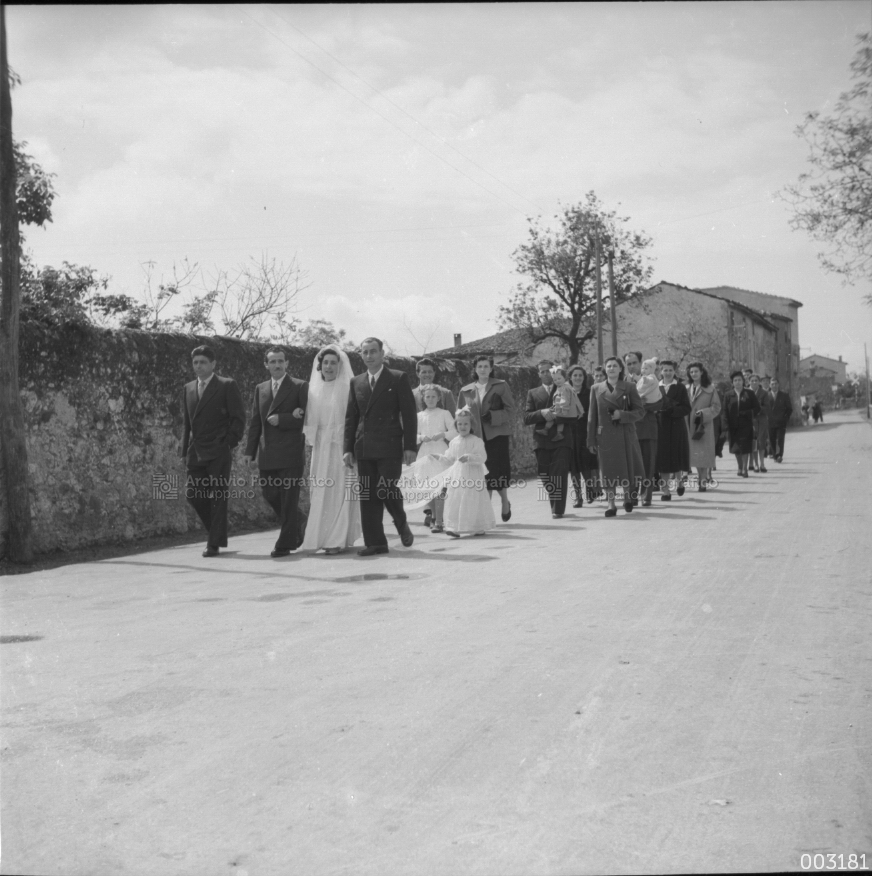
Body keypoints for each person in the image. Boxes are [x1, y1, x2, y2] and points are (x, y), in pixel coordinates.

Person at [343, 337, 417, 556]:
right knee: (368, 494)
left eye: (373, 351)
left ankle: (401, 522)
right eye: (365, 352)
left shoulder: (397, 378)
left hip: (390, 445)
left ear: (382, 354)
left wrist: (410, 446)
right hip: (364, 447)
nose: (369, 356)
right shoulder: (356, 382)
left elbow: (409, 414)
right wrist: (347, 448)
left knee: (386, 488)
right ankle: (375, 543)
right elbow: (351, 417)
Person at [180, 345, 246, 558]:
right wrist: (184, 451)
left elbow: (238, 418)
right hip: (196, 451)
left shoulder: (226, 385)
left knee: (218, 496)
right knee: (193, 494)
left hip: (218, 450)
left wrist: (227, 443)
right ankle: (218, 533)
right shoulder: (188, 388)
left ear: (213, 364)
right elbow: (187, 424)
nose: (198, 366)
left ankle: (213, 543)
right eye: (195, 362)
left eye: (203, 362)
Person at [243, 347, 308, 558]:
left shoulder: (299, 386)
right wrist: (249, 451)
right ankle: (298, 520)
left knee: (289, 498)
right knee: (270, 494)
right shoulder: (260, 388)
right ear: (266, 365)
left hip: (290, 452)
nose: (277, 365)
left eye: (281, 361)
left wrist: (285, 419)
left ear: (287, 363)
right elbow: (255, 422)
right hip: (268, 452)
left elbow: (307, 417)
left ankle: (285, 542)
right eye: (273, 362)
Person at [300, 345, 361, 554]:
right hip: (321, 447)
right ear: (320, 365)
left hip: (340, 447)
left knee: (340, 491)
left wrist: (349, 448)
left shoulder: (347, 389)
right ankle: (319, 537)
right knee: (320, 490)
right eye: (325, 362)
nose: (328, 366)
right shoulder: (312, 391)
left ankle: (336, 540)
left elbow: (353, 420)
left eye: (333, 363)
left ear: (339, 366)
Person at [457, 355, 515, 522]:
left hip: (497, 436)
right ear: (475, 369)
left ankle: (504, 501)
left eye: (486, 366)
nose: (482, 369)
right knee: (483, 476)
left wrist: (494, 416)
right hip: (476, 438)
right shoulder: (465, 390)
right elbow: (460, 415)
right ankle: (485, 516)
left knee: (498, 473)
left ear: (491, 369)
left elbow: (511, 410)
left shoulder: (501, 386)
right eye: (479, 366)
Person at [587, 356, 645, 517]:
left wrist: (622, 415)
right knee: (608, 471)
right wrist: (590, 440)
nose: (611, 368)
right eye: (609, 366)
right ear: (605, 369)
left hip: (626, 434)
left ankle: (627, 497)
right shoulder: (596, 388)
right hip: (605, 436)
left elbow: (640, 412)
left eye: (615, 366)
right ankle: (611, 504)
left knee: (626, 467)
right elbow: (592, 417)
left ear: (621, 369)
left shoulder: (629, 387)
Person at [524, 359, 574, 519]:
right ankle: (555, 501)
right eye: (542, 371)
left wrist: (558, 415)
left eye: (548, 371)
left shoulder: (565, 389)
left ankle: (557, 509)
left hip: (561, 439)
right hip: (541, 439)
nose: (546, 374)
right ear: (538, 374)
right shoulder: (532, 393)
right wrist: (541, 413)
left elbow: (574, 414)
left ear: (554, 372)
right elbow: (526, 417)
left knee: (559, 473)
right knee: (545, 474)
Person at [412, 357, 456, 529]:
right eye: (423, 371)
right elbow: (411, 429)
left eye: (430, 371)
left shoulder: (445, 398)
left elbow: (454, 426)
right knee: (427, 484)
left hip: (441, 449)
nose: (427, 374)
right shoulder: (413, 397)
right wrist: (420, 438)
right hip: (423, 450)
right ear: (418, 373)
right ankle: (431, 515)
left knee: (441, 485)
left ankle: (439, 519)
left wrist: (443, 435)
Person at [440, 408, 495, 538]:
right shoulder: (454, 442)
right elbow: (449, 458)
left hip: (473, 475)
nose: (463, 426)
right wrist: (439, 457)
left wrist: (470, 457)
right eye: (459, 424)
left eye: (466, 424)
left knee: (472, 499)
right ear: (456, 426)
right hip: (458, 476)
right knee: (456, 498)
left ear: (471, 425)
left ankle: (477, 526)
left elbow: (482, 457)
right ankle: (454, 527)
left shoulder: (476, 441)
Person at [624, 351, 662, 507]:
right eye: (629, 364)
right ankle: (631, 496)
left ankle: (646, 496)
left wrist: (639, 406)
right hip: (630, 430)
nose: (632, 366)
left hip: (647, 428)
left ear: (641, 363)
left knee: (648, 463)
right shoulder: (623, 382)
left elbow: (660, 403)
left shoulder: (651, 379)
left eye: (634, 363)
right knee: (631, 464)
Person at [655, 360, 691, 500]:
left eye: (670, 370)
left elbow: (686, 408)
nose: (668, 373)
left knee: (676, 455)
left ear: (674, 371)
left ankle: (679, 482)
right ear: (661, 371)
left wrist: (672, 410)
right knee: (663, 459)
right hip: (661, 426)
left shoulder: (680, 387)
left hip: (676, 426)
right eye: (665, 370)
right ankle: (666, 491)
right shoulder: (656, 387)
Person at [686, 362, 721, 492]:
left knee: (704, 453)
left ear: (702, 372)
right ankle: (700, 477)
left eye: (696, 371)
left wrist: (704, 413)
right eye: (691, 372)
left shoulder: (710, 389)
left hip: (704, 425)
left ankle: (703, 479)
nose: (694, 374)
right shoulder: (686, 388)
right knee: (694, 454)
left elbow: (717, 407)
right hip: (690, 425)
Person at [568, 365, 597, 507]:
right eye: (575, 375)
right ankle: (578, 496)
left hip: (585, 433)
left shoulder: (589, 392)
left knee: (586, 464)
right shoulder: (564, 392)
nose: (578, 378)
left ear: (584, 378)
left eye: (580, 375)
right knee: (573, 466)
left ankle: (590, 491)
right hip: (569, 434)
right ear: (570, 377)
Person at [721, 370, 760, 477]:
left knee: (745, 447)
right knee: (736, 448)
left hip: (746, 425)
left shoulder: (749, 393)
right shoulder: (728, 395)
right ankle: (739, 466)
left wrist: (747, 413)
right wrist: (725, 426)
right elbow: (724, 411)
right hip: (733, 426)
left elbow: (757, 408)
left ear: (743, 381)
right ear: (732, 383)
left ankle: (744, 469)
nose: (737, 382)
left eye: (739, 380)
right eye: (735, 380)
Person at [535, 365, 583, 441]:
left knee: (552, 417)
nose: (557, 381)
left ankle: (546, 429)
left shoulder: (565, 388)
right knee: (560, 421)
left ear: (565, 378)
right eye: (555, 380)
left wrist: (562, 409)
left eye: (559, 378)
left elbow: (565, 400)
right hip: (565, 411)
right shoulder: (563, 387)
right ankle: (559, 433)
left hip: (565, 410)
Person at [768, 378, 793, 462]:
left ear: (778, 385)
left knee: (780, 438)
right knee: (772, 439)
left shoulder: (784, 395)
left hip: (781, 422)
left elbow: (789, 409)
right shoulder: (766, 396)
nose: (774, 385)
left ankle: (779, 455)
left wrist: (785, 419)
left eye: (775, 384)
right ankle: (775, 455)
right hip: (770, 422)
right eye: (772, 384)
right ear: (769, 385)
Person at [749, 373, 771, 473]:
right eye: (752, 380)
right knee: (753, 442)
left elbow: (767, 408)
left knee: (761, 442)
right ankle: (756, 464)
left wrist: (757, 408)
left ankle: (762, 463)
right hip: (750, 420)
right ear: (749, 382)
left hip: (761, 420)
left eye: (756, 380)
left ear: (759, 382)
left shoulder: (764, 393)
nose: (754, 382)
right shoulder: (746, 392)